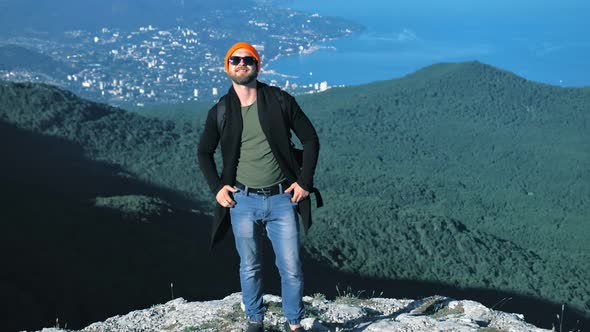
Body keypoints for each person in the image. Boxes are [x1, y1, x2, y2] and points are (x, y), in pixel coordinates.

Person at [197, 42, 321, 332]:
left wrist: (304, 182)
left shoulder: (280, 101)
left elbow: (311, 139)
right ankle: (255, 319)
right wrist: (217, 187)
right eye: (235, 60)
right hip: (242, 199)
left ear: (257, 66)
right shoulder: (221, 111)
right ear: (227, 68)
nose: (242, 64)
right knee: (249, 265)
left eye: (248, 60)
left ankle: (294, 322)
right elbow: (204, 152)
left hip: (281, 198)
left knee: (291, 267)